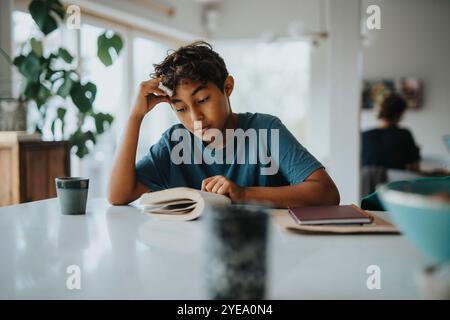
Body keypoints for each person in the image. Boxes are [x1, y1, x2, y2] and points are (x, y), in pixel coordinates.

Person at [108, 41, 339, 207]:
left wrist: (244, 194)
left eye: (202, 100)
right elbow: (118, 195)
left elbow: (327, 193)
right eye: (181, 108)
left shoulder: (265, 130)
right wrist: (135, 116)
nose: (195, 117)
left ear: (227, 87)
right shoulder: (173, 142)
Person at [362, 93, 421, 171]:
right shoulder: (405, 135)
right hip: (397, 182)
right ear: (400, 114)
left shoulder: (364, 135)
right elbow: (414, 169)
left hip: (368, 182)